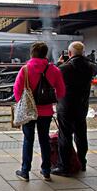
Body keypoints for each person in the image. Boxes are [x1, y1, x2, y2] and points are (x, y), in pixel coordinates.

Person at [14, 42, 66, 182]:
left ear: (32, 53)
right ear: (45, 54)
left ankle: (25, 171)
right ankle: (46, 171)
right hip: (46, 112)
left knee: (28, 140)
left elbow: (17, 91)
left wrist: (26, 104)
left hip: (29, 112)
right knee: (44, 140)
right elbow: (61, 92)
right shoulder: (54, 70)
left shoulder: (25, 69)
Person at [52, 42, 96, 177]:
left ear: (69, 54)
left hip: (66, 107)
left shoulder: (64, 68)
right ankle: (82, 162)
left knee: (65, 136)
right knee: (81, 134)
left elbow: (54, 78)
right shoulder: (91, 67)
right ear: (83, 53)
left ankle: (64, 166)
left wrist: (59, 63)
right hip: (82, 106)